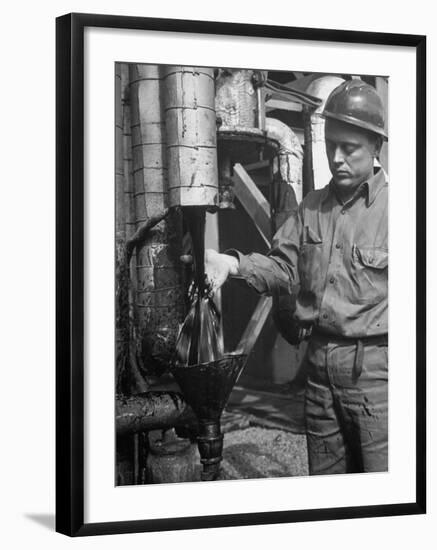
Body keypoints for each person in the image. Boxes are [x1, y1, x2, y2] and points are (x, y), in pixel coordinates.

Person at [205, 79, 389, 475]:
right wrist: (231, 264)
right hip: (319, 371)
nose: (336, 157)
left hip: (378, 374)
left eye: (350, 148)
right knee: (327, 489)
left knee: (385, 493)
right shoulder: (311, 208)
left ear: (376, 146)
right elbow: (284, 267)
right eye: (330, 145)